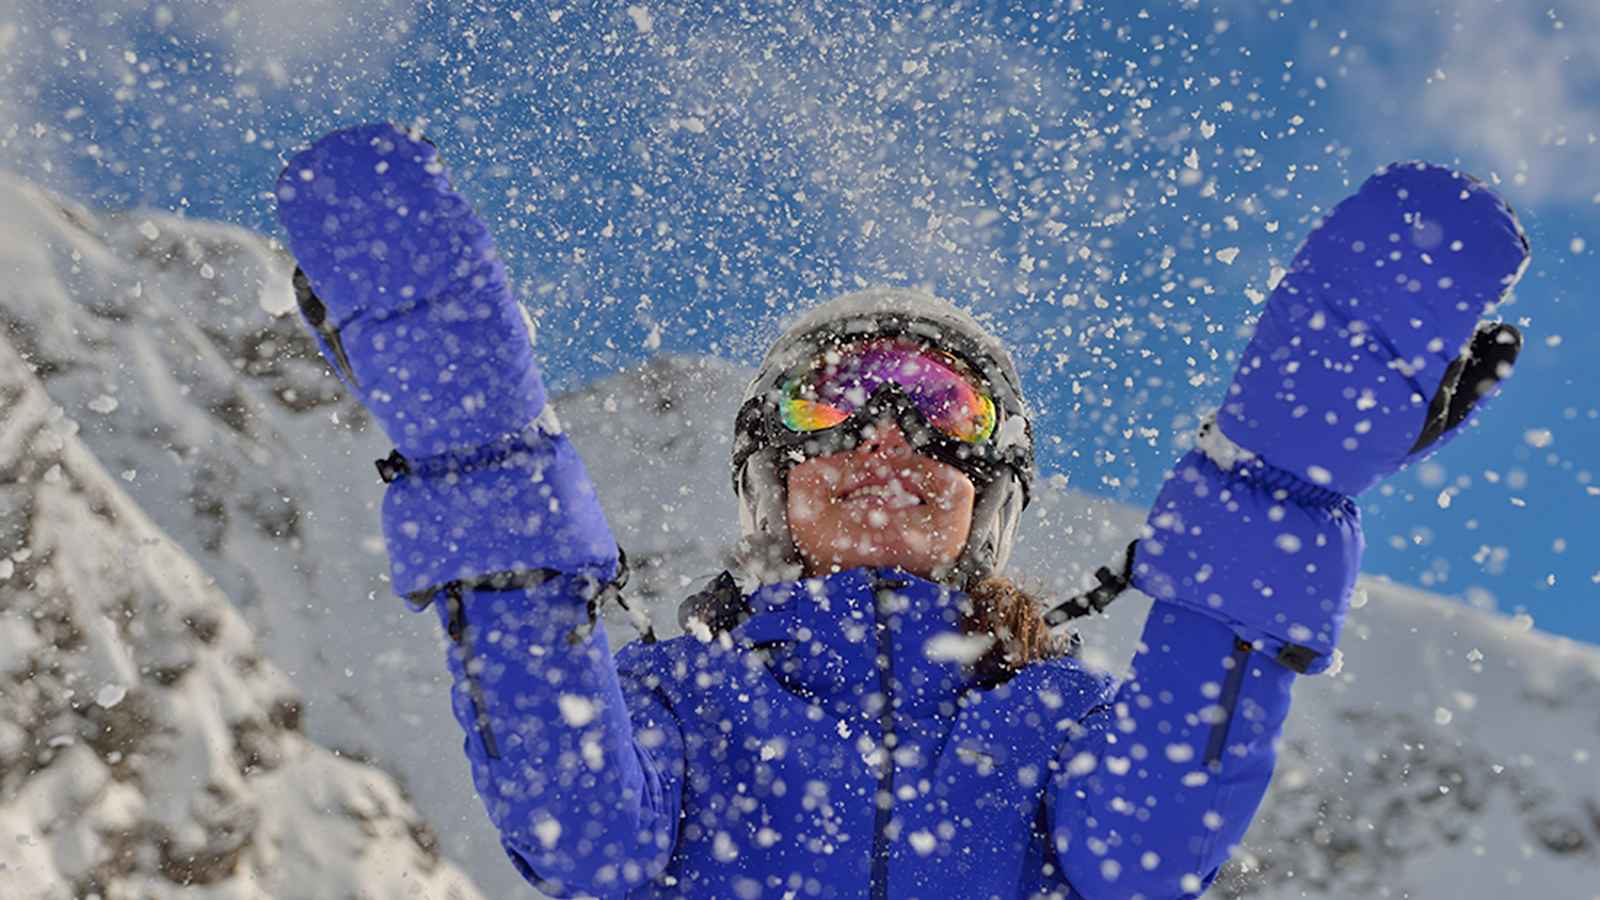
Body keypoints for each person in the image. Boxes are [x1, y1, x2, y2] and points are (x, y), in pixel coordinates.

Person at [274, 123, 1529, 899]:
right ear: (771, 478)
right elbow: (579, 831)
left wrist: (1280, 494)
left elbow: (1147, 853)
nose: (887, 439)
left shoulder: (1057, 722)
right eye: (835, 406)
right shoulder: (678, 705)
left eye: (943, 412)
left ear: (990, 498)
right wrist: (478, 460)